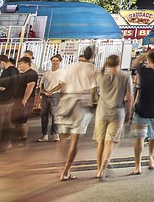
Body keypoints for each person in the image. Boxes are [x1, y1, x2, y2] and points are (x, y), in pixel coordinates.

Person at [56, 45, 99, 180]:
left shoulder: (71, 66)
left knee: (62, 139)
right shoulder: (92, 69)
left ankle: (60, 170)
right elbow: (93, 89)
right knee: (74, 141)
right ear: (92, 56)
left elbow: (62, 85)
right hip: (81, 103)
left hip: (66, 101)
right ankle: (65, 171)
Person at [93, 54, 132, 179]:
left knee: (100, 142)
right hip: (117, 112)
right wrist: (129, 112)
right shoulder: (125, 76)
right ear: (119, 62)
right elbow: (129, 96)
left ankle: (98, 169)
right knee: (109, 142)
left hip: (101, 112)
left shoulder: (100, 76)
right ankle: (103, 167)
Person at [38, 53, 64, 142]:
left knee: (55, 115)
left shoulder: (62, 72)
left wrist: (51, 91)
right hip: (45, 95)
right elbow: (41, 83)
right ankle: (44, 135)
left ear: (60, 62)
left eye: (57, 61)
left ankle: (56, 134)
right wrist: (43, 91)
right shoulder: (47, 73)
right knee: (44, 115)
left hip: (55, 95)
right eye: (53, 61)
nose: (55, 62)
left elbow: (61, 84)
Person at [0, 55, 15, 150]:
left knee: (1, 124)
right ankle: (5, 146)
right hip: (11, 100)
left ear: (2, 61)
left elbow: (2, 87)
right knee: (7, 124)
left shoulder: (6, 72)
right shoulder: (16, 70)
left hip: (3, 101)